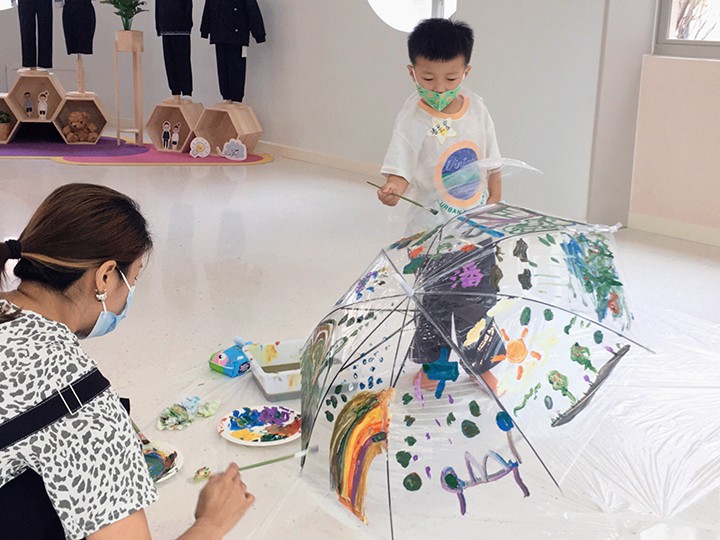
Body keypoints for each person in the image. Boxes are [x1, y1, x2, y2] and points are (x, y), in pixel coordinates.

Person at [0, 183, 255, 539]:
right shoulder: (80, 404)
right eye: (132, 279)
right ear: (104, 277)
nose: (129, 294)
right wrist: (212, 523)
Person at [377, 18, 502, 233]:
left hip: (475, 215)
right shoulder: (412, 119)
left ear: (466, 72)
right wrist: (393, 189)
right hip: (429, 221)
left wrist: (494, 200)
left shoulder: (477, 111)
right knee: (429, 255)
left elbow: (494, 164)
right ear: (412, 73)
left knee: (474, 255)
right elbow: (400, 167)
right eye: (428, 78)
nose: (440, 88)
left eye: (451, 78)